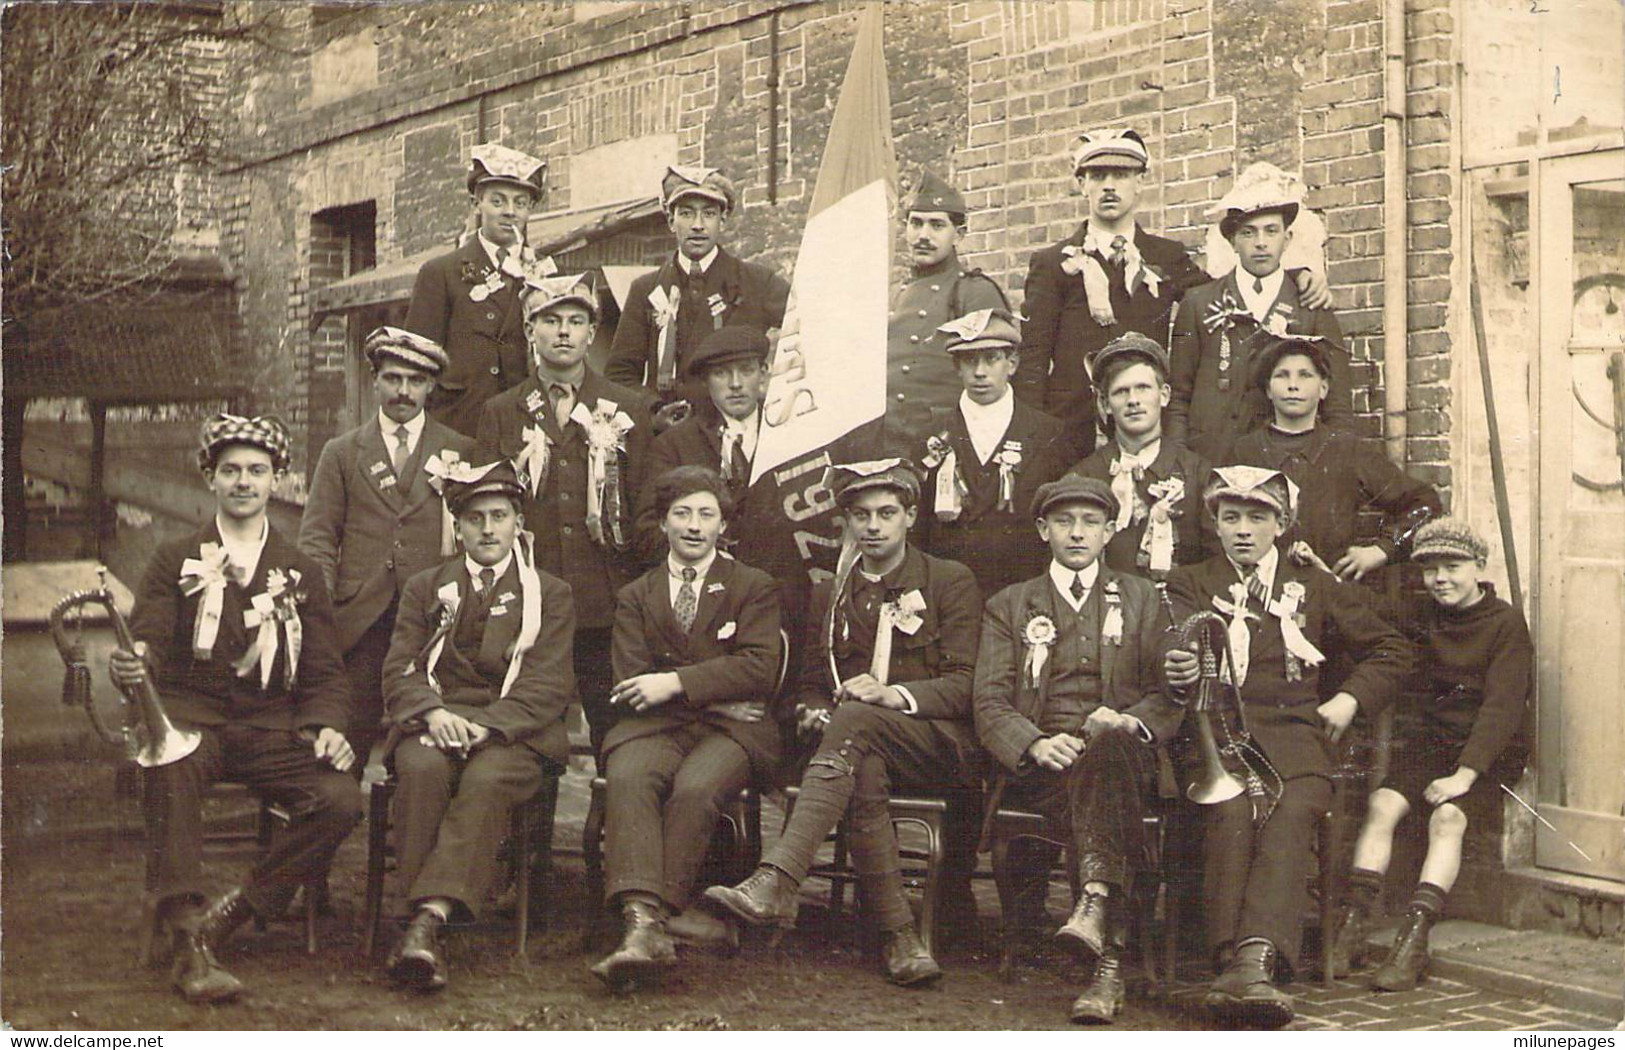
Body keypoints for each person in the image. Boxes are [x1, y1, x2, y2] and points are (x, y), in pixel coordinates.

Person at [109, 414, 361, 1003]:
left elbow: (324, 669)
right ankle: (187, 939)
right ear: (209, 479)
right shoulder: (174, 557)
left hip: (272, 727)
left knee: (340, 798)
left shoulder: (301, 570)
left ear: (278, 480)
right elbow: (147, 636)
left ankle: (230, 915)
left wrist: (326, 726)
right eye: (230, 471)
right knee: (169, 770)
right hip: (192, 722)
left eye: (257, 471)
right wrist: (134, 663)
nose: (243, 482)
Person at [704, 459, 983, 987]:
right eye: (860, 515)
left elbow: (966, 685)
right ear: (847, 522)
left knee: (858, 719)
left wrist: (893, 694)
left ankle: (779, 876)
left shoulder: (949, 581)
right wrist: (811, 708)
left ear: (909, 516)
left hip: (937, 746)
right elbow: (812, 679)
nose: (873, 526)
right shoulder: (830, 592)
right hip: (855, 753)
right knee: (863, 763)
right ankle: (901, 938)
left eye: (886, 513)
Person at [1161, 466, 1414, 1027]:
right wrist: (1176, 665)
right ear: (1215, 524)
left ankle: (1254, 957)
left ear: (1282, 523)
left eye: (1258, 517)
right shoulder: (1191, 582)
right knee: (1228, 809)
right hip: (1217, 737)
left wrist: (1350, 699)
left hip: (1297, 740)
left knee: (1291, 810)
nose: (1244, 531)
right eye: (1231, 518)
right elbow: (1166, 646)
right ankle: (1233, 959)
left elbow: (1392, 649)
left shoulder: (1314, 584)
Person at [973, 475, 1183, 1023]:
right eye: (1064, 521)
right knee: (1100, 778)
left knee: (1110, 746)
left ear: (1111, 530)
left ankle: (1094, 908)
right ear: (1043, 530)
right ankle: (1107, 963)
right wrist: (1035, 743)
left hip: (1124, 756)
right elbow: (990, 702)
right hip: (1045, 768)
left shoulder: (1143, 598)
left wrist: (1128, 722)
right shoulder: (1010, 605)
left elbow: (1169, 694)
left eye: (1091, 522)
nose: (1077, 533)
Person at [378, 458, 576, 992]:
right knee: (419, 766)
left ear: (518, 523)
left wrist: (486, 726)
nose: (488, 530)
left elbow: (548, 684)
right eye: (475, 519)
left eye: (499, 516)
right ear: (458, 526)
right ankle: (421, 924)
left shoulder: (548, 594)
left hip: (514, 729)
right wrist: (433, 713)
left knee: (488, 779)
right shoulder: (426, 587)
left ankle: (425, 920)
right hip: (438, 718)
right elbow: (400, 667)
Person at [591, 466, 784, 988]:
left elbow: (759, 669)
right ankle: (645, 922)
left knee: (697, 788)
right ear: (663, 524)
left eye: (706, 514)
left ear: (723, 525)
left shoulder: (752, 586)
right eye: (682, 514)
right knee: (630, 776)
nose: (694, 526)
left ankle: (650, 923)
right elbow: (632, 685)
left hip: (734, 737)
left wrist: (673, 682)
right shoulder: (637, 594)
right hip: (655, 729)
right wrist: (717, 701)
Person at [1328, 518, 1531, 992]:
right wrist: (1321, 570)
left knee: (1448, 820)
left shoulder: (1505, 625)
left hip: (1488, 750)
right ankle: (1354, 923)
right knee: (1382, 805)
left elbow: (1502, 708)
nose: (1441, 578)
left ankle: (1414, 938)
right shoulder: (1426, 617)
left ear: (1480, 568)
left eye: (1453, 566)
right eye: (1430, 569)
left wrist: (1464, 775)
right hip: (1435, 743)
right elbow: (1368, 610)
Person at [477, 273, 653, 753]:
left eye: (576, 321)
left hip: (607, 599)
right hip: (533, 598)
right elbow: (489, 507)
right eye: (550, 320)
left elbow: (642, 504)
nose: (563, 332)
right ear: (531, 330)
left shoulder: (626, 408)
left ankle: (612, 821)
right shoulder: (503, 411)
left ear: (592, 334)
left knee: (615, 729)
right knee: (531, 731)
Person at [298, 327, 477, 764]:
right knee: (347, 736)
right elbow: (318, 538)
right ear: (374, 379)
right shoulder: (342, 453)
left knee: (426, 742)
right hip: (361, 619)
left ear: (431, 385)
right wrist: (322, 611)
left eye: (415, 381)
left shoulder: (459, 450)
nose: (403, 391)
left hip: (433, 618)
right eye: (393, 378)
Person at [1016, 128, 1245, 460]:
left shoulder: (1165, 255)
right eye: (1097, 175)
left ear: (1140, 182)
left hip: (1146, 427)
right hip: (1071, 434)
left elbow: (1221, 298)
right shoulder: (1053, 263)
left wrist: (1296, 276)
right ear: (1082, 184)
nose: (1109, 185)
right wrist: (1034, 439)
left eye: (1122, 175)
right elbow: (1033, 360)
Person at [1168, 169, 1349, 464]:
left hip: (1288, 461)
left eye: (1271, 230)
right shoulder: (1198, 303)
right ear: (1232, 242)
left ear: (1287, 238)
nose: (1261, 242)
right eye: (1248, 232)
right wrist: (1180, 465)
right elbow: (1178, 397)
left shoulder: (1310, 304)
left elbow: (1337, 402)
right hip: (1214, 459)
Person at [1227, 335, 1440, 583]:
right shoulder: (1244, 452)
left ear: (1323, 389)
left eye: (1305, 375)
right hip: (1257, 594)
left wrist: (1382, 550)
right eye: (1282, 375)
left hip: (1332, 592)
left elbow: (1425, 504)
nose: (1293, 385)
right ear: (1268, 390)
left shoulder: (1347, 450)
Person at [605, 165, 790, 417]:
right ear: (671, 220)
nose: (698, 225)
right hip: (669, 440)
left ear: (722, 220)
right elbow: (620, 374)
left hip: (734, 433)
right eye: (687, 214)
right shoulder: (645, 290)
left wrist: (774, 401)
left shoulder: (758, 282)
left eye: (709, 214)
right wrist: (655, 409)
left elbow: (811, 330)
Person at [914, 308, 1068, 597]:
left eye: (991, 358)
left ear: (1012, 364)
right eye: (969, 361)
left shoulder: (1048, 434)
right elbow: (919, 531)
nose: (980, 372)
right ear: (956, 367)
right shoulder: (931, 437)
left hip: (1024, 594)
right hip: (950, 597)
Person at [404, 143, 550, 437]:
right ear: (476, 204)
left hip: (523, 428)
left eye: (520, 203)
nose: (510, 212)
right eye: (498, 201)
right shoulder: (441, 272)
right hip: (458, 426)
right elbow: (416, 364)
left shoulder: (544, 274)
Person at [1070, 332, 1216, 579]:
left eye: (1143, 388)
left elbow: (1213, 563)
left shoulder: (1198, 473)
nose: (1133, 400)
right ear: (1105, 404)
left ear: (1164, 395)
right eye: (1121, 392)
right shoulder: (1084, 476)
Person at [884, 170, 1012, 448]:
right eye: (916, 223)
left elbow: (996, 378)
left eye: (937, 225)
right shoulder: (892, 293)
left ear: (959, 234)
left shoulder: (974, 292)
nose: (923, 235)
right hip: (884, 439)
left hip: (944, 441)